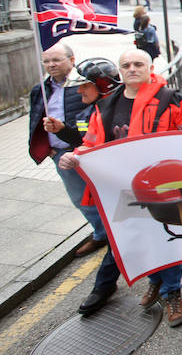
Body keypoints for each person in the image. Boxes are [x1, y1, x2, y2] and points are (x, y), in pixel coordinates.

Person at [60, 49, 182, 325]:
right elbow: (92, 143)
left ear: (150, 68)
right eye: (126, 65)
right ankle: (156, 282)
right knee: (136, 240)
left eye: (138, 64)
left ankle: (173, 294)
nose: (132, 68)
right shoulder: (106, 106)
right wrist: (75, 155)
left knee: (166, 241)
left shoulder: (173, 101)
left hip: (163, 188)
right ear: (120, 71)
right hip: (123, 190)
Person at [29, 44, 108, 258]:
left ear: (72, 60)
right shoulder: (40, 90)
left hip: (87, 153)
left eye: (57, 60)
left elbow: (91, 125)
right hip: (60, 154)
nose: (51, 65)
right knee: (79, 199)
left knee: (102, 197)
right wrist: (47, 147)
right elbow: (35, 118)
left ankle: (111, 235)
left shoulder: (82, 86)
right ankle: (101, 234)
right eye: (46, 61)